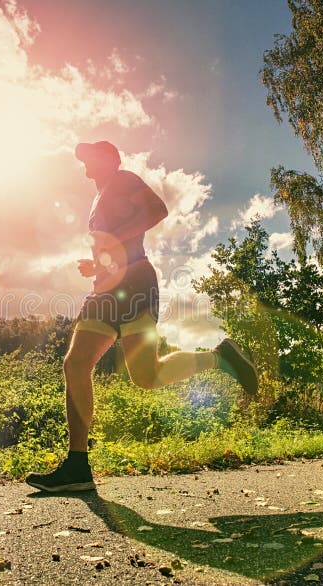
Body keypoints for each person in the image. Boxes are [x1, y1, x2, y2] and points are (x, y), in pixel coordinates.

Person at [25, 141, 258, 492]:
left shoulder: (122, 179)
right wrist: (99, 262)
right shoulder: (99, 196)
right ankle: (77, 465)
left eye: (90, 158)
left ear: (109, 159)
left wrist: (113, 244)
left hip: (134, 281)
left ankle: (220, 357)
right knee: (77, 364)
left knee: (146, 376)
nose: (85, 167)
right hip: (108, 284)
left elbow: (157, 210)